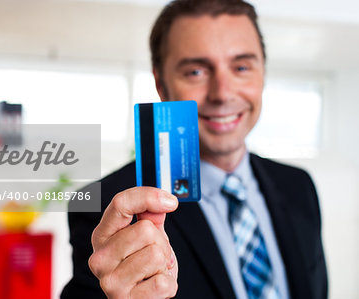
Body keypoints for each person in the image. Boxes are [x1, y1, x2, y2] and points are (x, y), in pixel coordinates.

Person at [61, 0, 328, 298]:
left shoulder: (299, 186)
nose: (223, 93)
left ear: (262, 73)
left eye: (241, 67)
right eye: (196, 72)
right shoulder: (103, 208)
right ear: (162, 86)